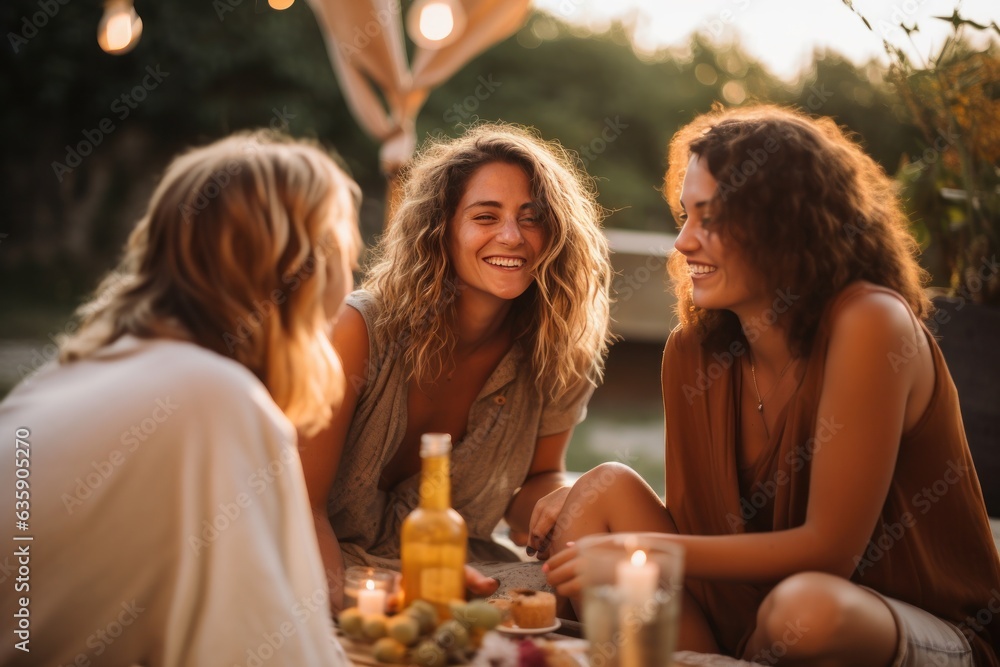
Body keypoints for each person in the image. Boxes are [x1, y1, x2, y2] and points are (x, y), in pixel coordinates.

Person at [541, 105, 1000, 666]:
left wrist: (641, 549)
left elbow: (828, 552)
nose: (683, 243)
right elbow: (713, 530)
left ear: (785, 223)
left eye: (709, 218)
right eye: (683, 216)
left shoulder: (870, 322)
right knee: (602, 488)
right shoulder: (694, 354)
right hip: (748, 625)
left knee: (805, 610)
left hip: (901, 622)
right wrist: (587, 507)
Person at [0, 132, 361, 666]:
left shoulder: (57, 382)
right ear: (300, 270)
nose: (350, 280)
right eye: (345, 250)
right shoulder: (212, 399)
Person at [299, 122, 614, 609]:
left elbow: (537, 481)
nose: (512, 236)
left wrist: (572, 497)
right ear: (441, 229)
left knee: (586, 592)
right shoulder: (357, 331)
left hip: (464, 571)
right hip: (324, 565)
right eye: (486, 217)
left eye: (532, 218)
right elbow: (304, 507)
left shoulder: (560, 348)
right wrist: (351, 618)